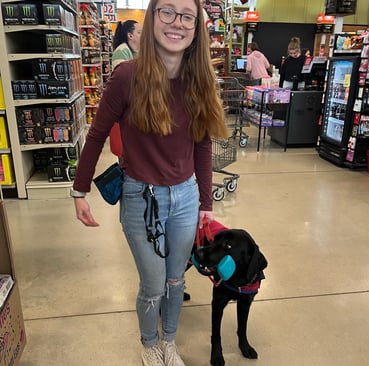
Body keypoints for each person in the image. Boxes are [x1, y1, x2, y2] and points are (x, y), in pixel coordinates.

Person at [71, 0, 228, 365]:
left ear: (196, 27)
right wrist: (79, 191)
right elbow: (95, 136)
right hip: (141, 198)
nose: (177, 22)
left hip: (186, 198)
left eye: (187, 15)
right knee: (154, 284)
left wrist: (206, 202)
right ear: (153, 17)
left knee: (177, 281)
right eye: (167, 12)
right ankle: (148, 344)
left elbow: (203, 146)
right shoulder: (128, 76)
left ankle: (168, 342)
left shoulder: (200, 80)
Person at [109, 20, 142, 159]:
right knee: (125, 158)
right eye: (139, 32)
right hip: (124, 115)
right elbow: (123, 85)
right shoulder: (122, 51)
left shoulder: (135, 52)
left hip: (134, 115)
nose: (143, 36)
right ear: (130, 35)